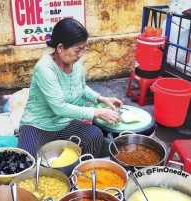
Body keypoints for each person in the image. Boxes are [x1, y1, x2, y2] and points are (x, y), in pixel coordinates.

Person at [18, 18, 123, 159]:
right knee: (25, 159)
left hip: (63, 122)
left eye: (83, 49)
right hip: (38, 125)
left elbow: (81, 88)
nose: (80, 54)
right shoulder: (45, 68)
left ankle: (81, 172)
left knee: (95, 135)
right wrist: (96, 112)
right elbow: (59, 108)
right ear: (60, 48)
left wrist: (102, 98)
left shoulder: (74, 62)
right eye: (78, 49)